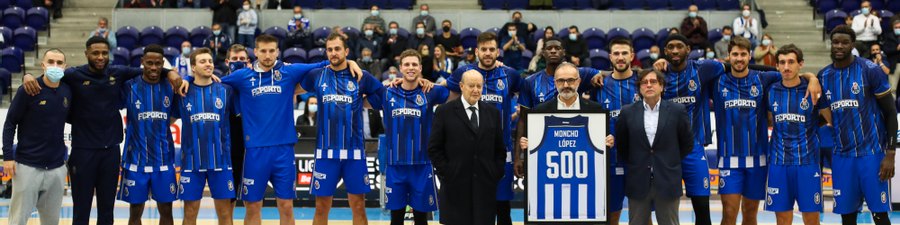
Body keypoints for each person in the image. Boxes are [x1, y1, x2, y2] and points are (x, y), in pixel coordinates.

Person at [21, 36, 183, 225]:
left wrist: (170, 72)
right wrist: (28, 76)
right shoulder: (74, 75)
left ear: (109, 55)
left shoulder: (119, 73)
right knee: (81, 211)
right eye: (95, 53)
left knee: (107, 212)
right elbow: (49, 77)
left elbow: (151, 68)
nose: (100, 57)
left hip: (111, 152)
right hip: (83, 152)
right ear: (86, 54)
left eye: (104, 53)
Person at [211, 34, 363, 225]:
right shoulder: (242, 77)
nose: (267, 55)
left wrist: (350, 62)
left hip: (284, 151)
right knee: (252, 207)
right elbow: (209, 80)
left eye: (271, 51)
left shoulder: (289, 72)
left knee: (286, 206)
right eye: (263, 51)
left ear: (278, 52)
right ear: (256, 52)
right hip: (255, 151)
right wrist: (187, 77)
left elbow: (327, 63)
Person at [299, 33, 384, 225]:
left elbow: (382, 97)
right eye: (329, 49)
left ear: (346, 51)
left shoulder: (361, 76)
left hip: (354, 153)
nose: (333, 53)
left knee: (358, 207)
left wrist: (362, 102)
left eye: (337, 49)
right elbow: (292, 86)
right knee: (321, 207)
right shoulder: (317, 75)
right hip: (325, 153)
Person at [713, 37, 799, 225]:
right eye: (735, 54)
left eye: (743, 54)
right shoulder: (717, 81)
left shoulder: (763, 78)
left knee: (750, 214)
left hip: (758, 159)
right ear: (728, 56)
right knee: (729, 213)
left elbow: (792, 74)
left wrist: (813, 78)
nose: (739, 58)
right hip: (729, 159)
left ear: (750, 56)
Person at [819, 25, 896, 225]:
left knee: (879, 215)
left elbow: (890, 112)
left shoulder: (870, 70)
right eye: (836, 42)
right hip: (842, 156)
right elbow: (824, 115)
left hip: (872, 154)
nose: (839, 46)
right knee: (847, 215)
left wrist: (890, 153)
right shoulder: (824, 76)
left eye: (845, 42)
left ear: (852, 44)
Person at [447, 32, 522, 225]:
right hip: (471, 153)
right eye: (484, 49)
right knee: (474, 206)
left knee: (503, 208)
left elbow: (529, 94)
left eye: (491, 49)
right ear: (477, 51)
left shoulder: (509, 74)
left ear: (498, 51)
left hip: (501, 151)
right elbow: (447, 98)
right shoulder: (464, 73)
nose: (488, 53)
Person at [378, 49, 449, 225]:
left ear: (420, 68)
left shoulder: (430, 92)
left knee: (421, 220)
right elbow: (364, 89)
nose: (411, 68)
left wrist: (431, 82)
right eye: (407, 64)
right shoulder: (387, 92)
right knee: (396, 219)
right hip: (395, 166)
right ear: (400, 68)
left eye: (414, 64)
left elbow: (457, 83)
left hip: (422, 165)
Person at [429, 69, 507, 225]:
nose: (476, 90)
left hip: (485, 188)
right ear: (461, 86)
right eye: (472, 86)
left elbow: (500, 148)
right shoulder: (444, 111)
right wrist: (447, 172)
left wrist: (495, 172)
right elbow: (434, 148)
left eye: (479, 86)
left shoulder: (493, 113)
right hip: (454, 187)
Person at [616, 69, 693, 225]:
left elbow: (687, 143)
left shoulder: (677, 111)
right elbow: (622, 145)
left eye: (653, 82)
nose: (648, 85)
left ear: (662, 86)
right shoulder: (627, 112)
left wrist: (668, 161)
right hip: (638, 181)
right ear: (639, 88)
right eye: (644, 82)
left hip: (667, 179)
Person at [3, 49, 70, 225]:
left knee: (51, 222)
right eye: (51, 62)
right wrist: (8, 157)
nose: (54, 66)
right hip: (27, 166)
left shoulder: (68, 91)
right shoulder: (28, 89)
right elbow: (10, 123)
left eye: (59, 62)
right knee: (17, 220)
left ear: (65, 66)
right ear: (43, 64)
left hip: (56, 168)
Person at [117, 44, 180, 225]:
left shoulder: (170, 87)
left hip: (164, 160)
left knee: (166, 212)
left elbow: (175, 113)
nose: (154, 67)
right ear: (142, 62)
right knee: (135, 213)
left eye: (158, 63)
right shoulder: (129, 86)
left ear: (163, 64)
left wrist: (158, 125)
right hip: (135, 160)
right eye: (150, 63)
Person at [765, 44, 827, 225]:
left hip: (807, 163)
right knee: (783, 219)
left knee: (812, 219)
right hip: (779, 163)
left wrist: (813, 78)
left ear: (801, 64)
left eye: (791, 62)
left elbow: (827, 118)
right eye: (782, 62)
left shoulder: (813, 89)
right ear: (776, 66)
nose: (786, 67)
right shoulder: (770, 91)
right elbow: (769, 120)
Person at [175, 47, 236, 225]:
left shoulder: (226, 90)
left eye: (210, 61)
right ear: (193, 67)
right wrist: (185, 79)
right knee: (190, 213)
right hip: (192, 163)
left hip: (221, 161)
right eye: (203, 61)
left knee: (225, 214)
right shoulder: (182, 93)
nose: (208, 64)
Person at [589, 38, 641, 225]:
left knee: (642, 214)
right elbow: (566, 71)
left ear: (632, 56)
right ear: (610, 57)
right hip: (611, 160)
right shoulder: (599, 84)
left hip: (640, 160)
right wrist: (597, 73)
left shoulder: (643, 82)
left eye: (624, 53)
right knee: (612, 215)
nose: (620, 57)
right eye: (616, 54)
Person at [518, 37, 600, 109]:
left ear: (564, 52)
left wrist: (600, 75)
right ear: (543, 53)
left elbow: (610, 75)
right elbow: (523, 118)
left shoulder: (580, 73)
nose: (553, 51)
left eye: (557, 48)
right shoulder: (530, 81)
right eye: (549, 48)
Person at [880, 20, 900, 93]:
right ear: (893, 28)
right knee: (892, 89)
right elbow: (886, 50)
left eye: (899, 27)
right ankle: (892, 104)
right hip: (894, 65)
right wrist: (896, 49)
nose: (898, 29)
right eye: (896, 27)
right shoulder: (888, 37)